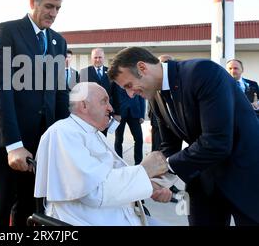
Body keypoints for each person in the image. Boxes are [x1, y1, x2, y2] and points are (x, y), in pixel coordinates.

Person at [108, 46, 259, 226]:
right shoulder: (155, 96)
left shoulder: (202, 72)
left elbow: (216, 142)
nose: (130, 94)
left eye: (129, 85)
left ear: (142, 68)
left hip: (245, 172)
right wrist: (155, 181)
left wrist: (167, 168)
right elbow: (168, 147)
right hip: (203, 177)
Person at [0, 0, 69, 226]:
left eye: (58, 8)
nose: (53, 13)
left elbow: (59, 92)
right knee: (0, 207)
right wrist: (13, 144)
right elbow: (2, 87)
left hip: (40, 140)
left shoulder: (58, 42)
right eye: (49, 6)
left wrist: (63, 137)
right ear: (33, 1)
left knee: (28, 208)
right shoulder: (8, 31)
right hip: (8, 137)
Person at [34, 82, 172, 226]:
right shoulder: (63, 133)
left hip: (116, 215)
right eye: (104, 101)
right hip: (87, 220)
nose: (111, 108)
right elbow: (95, 192)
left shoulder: (95, 134)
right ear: (84, 105)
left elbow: (114, 175)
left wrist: (150, 186)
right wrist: (144, 169)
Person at [110, 83, 146, 165]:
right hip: (120, 113)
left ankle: (138, 163)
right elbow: (112, 96)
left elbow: (141, 97)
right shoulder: (116, 80)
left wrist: (142, 115)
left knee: (139, 139)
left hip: (135, 113)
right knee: (119, 139)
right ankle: (119, 163)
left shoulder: (135, 77)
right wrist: (114, 113)